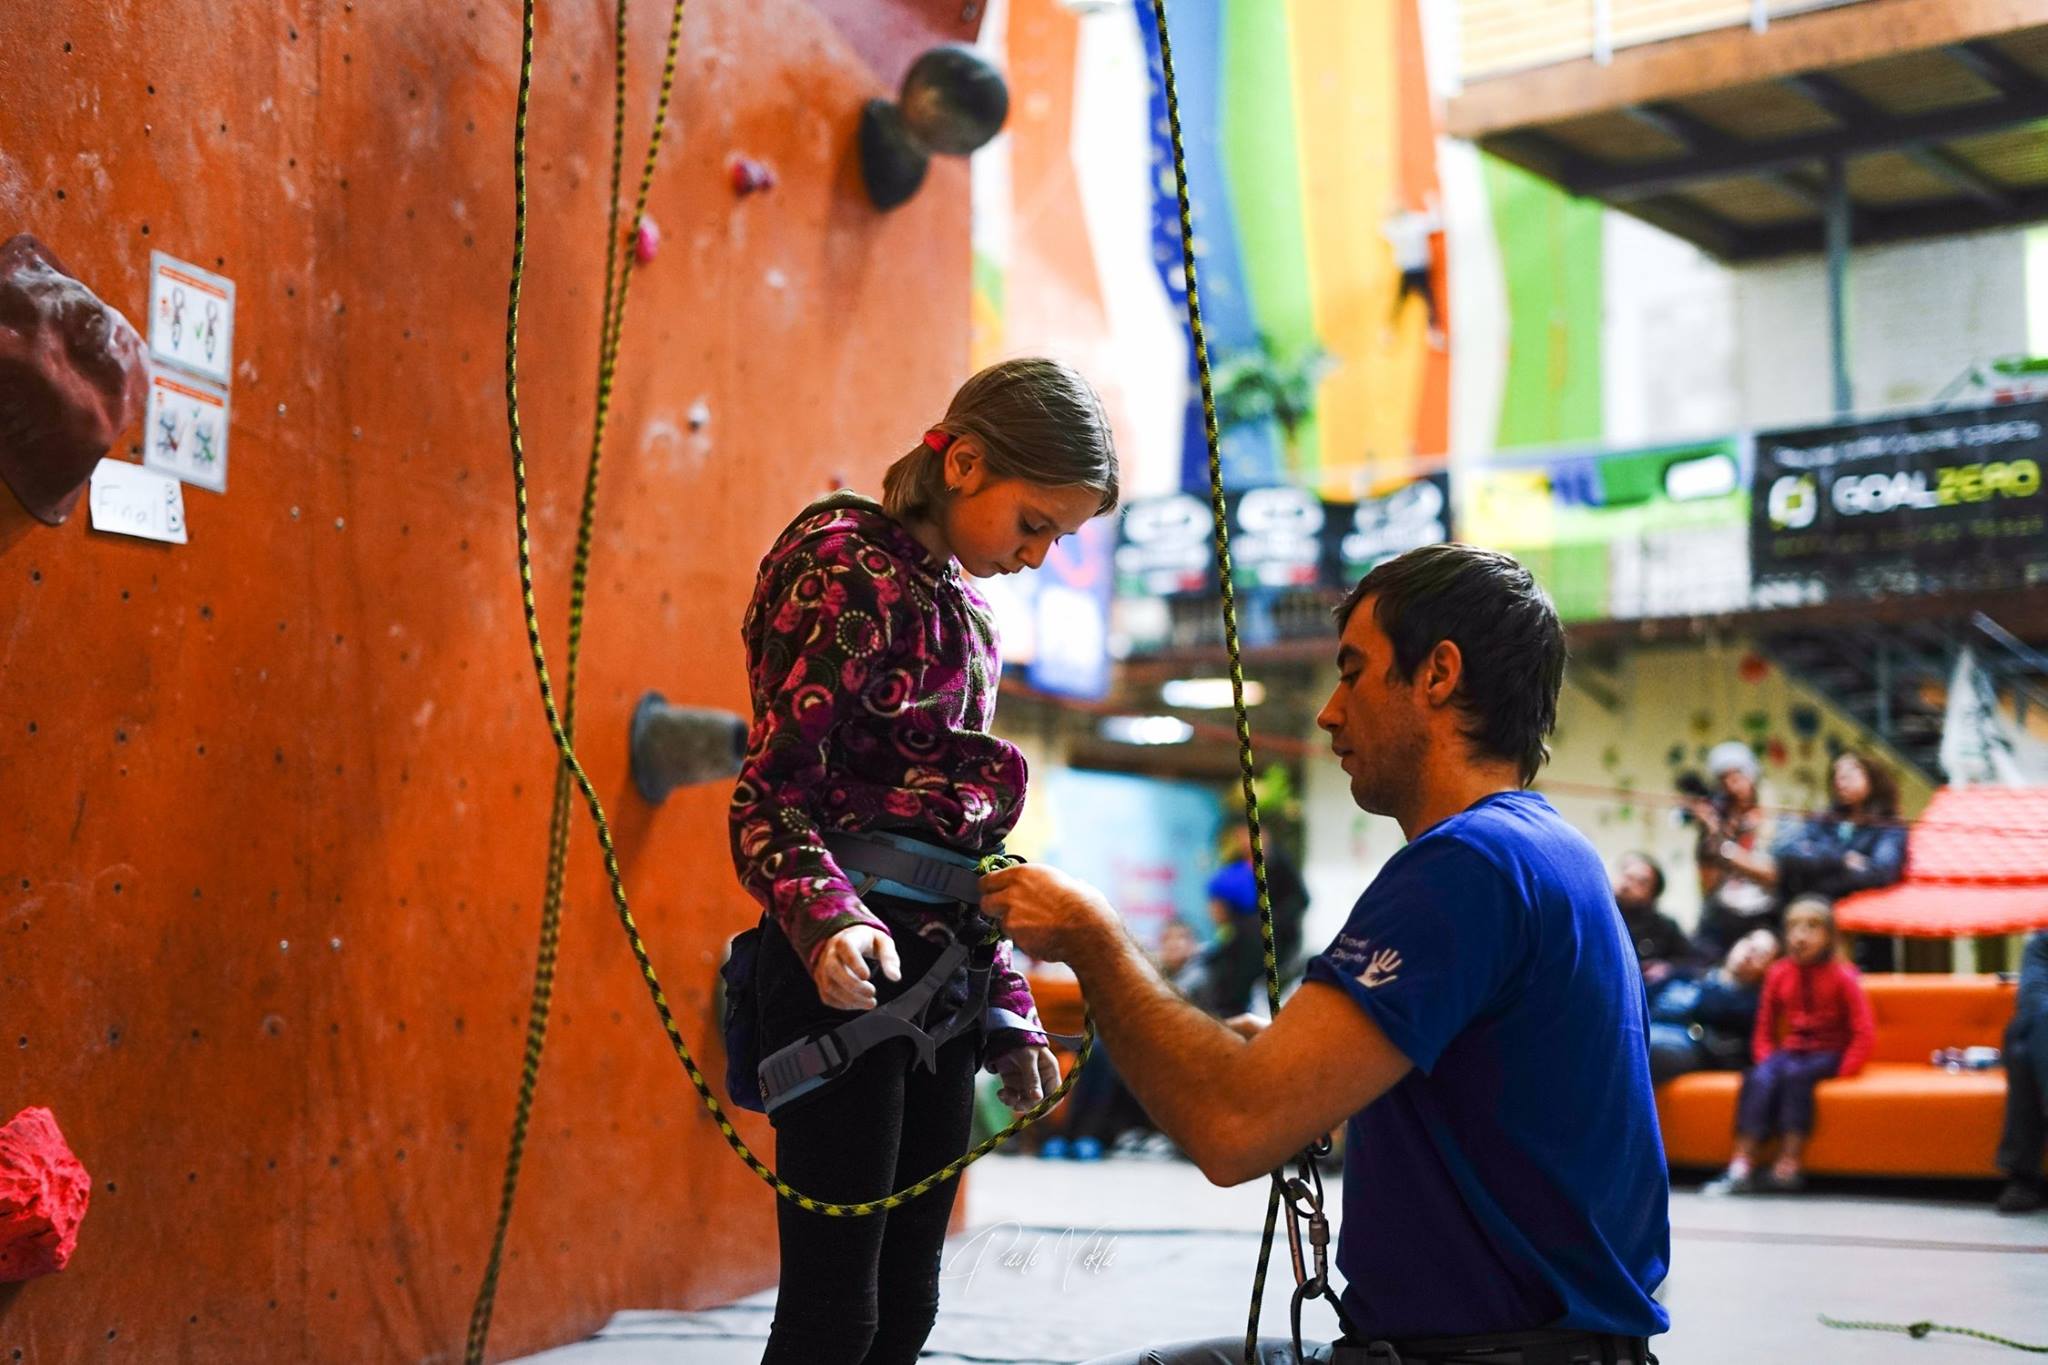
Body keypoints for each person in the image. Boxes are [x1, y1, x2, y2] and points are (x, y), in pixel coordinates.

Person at [983, 544, 1669, 1365]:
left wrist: (1091, 936)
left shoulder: (1468, 866)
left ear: (1438, 673)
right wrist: (1297, 1069)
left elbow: (1232, 1128)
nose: (1329, 712)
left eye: (1353, 672)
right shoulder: (1551, 852)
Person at [727, 357, 1119, 1365]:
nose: (1036, 556)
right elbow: (773, 793)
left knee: (906, 1304)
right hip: (843, 978)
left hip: (940, 977)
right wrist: (827, 920)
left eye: (1058, 540)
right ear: (966, 462)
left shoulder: (966, 615)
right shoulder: (841, 563)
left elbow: (962, 849)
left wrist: (1005, 1009)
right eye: (1033, 524)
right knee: (834, 1312)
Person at [1704, 897, 1874, 1196]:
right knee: (1759, 1078)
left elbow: (1863, 1030)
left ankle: (1788, 1163)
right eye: (1794, 927)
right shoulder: (1779, 972)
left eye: (1811, 927)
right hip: (1790, 1052)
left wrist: (1846, 1069)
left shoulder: (1843, 976)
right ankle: (1742, 1163)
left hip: (1826, 1053)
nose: (1800, 935)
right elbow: (1765, 1026)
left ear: (1829, 936)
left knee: (1797, 1078)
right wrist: (1765, 1059)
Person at [1769, 751, 1907, 972]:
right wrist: (1841, 859)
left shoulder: (1890, 826)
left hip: (1864, 928)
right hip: (1811, 910)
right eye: (1837, 774)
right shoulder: (1825, 818)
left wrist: (1818, 865)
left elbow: (1881, 873)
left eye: (1851, 772)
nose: (1841, 779)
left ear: (1873, 777)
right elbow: (1787, 854)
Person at [1646, 928, 1779, 1086]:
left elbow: (1709, 1011)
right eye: (1749, 942)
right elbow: (1644, 998)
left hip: (1691, 1046)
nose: (1750, 953)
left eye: (1761, 953)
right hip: (1651, 1026)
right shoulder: (1687, 972)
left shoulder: (1749, 1002)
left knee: (1642, 1043)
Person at [1689, 740, 1779, 957]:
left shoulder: (1774, 821)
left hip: (1764, 919)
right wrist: (1713, 832)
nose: (1731, 785)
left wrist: (1724, 849)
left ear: (1752, 777)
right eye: (1723, 780)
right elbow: (1708, 886)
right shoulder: (1719, 827)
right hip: (1721, 919)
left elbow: (1771, 875)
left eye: (1737, 776)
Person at [1995, 930, 2048, 1214]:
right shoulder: (2042, 944)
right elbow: (2033, 999)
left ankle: (2023, 1179)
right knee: (2039, 1022)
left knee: (2022, 1053)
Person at [1612, 851, 1694, 985]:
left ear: (1653, 894)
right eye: (1627, 876)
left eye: (1640, 882)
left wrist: (1668, 969)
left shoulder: (1664, 926)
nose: (1628, 884)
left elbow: (1690, 962)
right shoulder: (1597, 914)